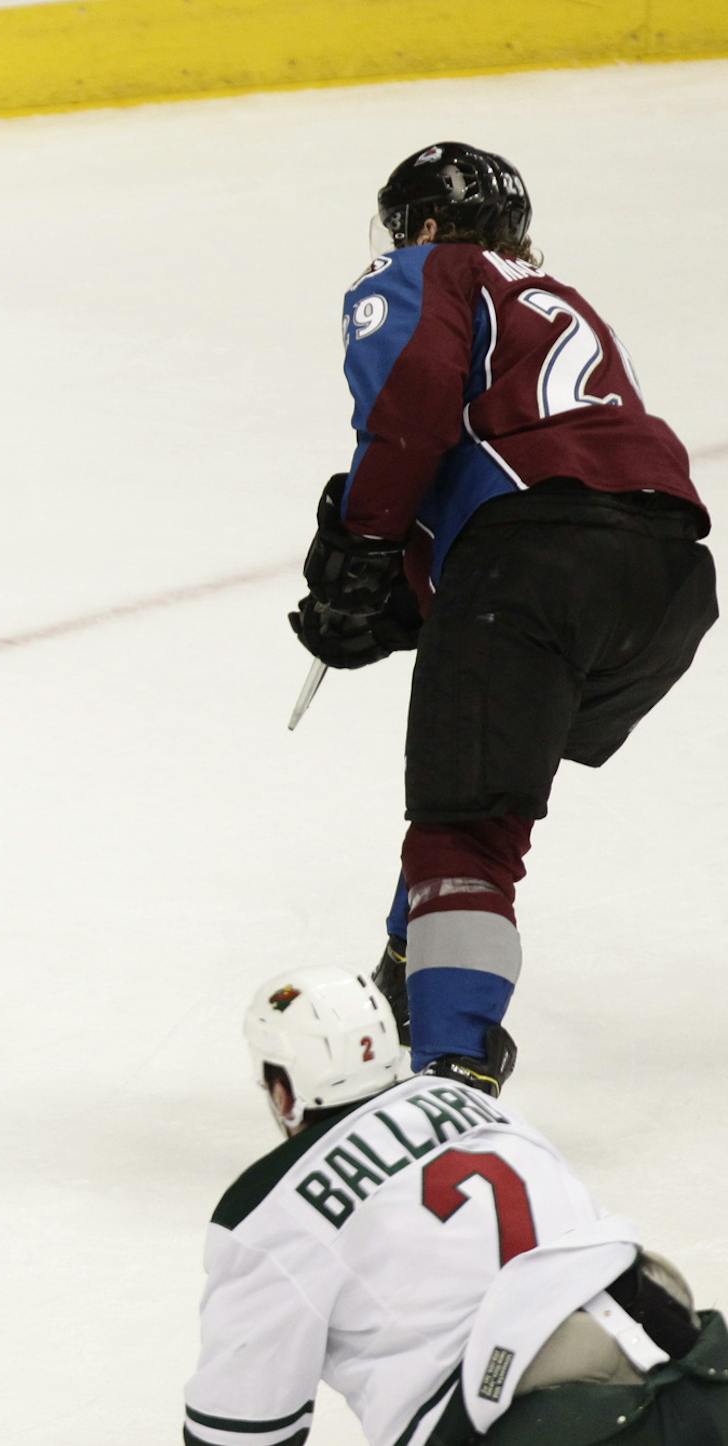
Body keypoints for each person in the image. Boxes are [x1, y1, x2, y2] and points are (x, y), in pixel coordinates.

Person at [288, 142, 715, 1093]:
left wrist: (363, 547)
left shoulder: (428, 268)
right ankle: (412, 971)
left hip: (536, 556)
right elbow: (536, 461)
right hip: (668, 581)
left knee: (466, 827)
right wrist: (407, 591)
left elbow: (411, 407)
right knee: (484, 791)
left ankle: (450, 1072)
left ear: (426, 224)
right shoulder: (559, 302)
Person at [185, 966, 728, 1446]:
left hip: (549, 1418)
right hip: (688, 1353)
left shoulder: (266, 1210)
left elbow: (240, 1431)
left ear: (283, 1091)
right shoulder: (472, 1101)